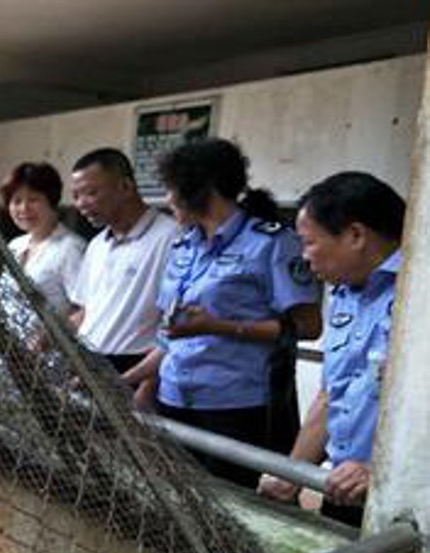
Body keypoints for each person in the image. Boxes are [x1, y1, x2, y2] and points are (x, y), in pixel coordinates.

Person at [121, 138, 322, 487]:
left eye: (172, 190)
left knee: (232, 505)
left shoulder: (271, 243)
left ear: (203, 188)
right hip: (175, 398)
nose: (168, 200)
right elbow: (173, 337)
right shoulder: (184, 245)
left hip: (237, 405)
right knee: (177, 499)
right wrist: (129, 380)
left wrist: (219, 326)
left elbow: (308, 326)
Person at [258, 171, 405, 527]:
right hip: (343, 489)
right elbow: (330, 397)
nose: (305, 257)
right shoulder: (344, 293)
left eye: (310, 243)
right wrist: (291, 473)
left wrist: (382, 472)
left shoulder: (417, 294)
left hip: (404, 499)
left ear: (355, 235)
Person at [68, 148, 179, 393]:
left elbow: (173, 323)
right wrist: (49, 335)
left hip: (138, 367)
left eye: (91, 192)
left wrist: (147, 387)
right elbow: (86, 311)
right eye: (76, 196)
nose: (81, 204)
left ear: (126, 187)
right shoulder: (97, 245)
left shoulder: (170, 237)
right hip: (88, 362)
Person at [0, 162, 86, 314]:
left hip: (57, 337)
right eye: (17, 201)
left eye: (33, 199)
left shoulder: (70, 248)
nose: (24, 208)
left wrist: (47, 337)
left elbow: (82, 307)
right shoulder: (15, 245)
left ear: (51, 201)